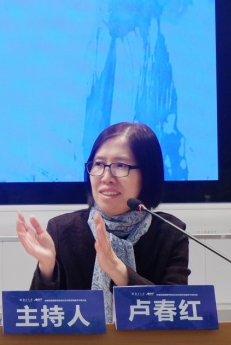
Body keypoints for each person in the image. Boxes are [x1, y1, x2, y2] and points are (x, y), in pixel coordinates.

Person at [15, 122, 189, 316]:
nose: (106, 177)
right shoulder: (62, 229)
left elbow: (175, 312)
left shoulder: (170, 233)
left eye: (120, 165)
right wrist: (47, 267)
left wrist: (117, 269)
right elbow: (37, 317)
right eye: (98, 164)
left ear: (148, 174)